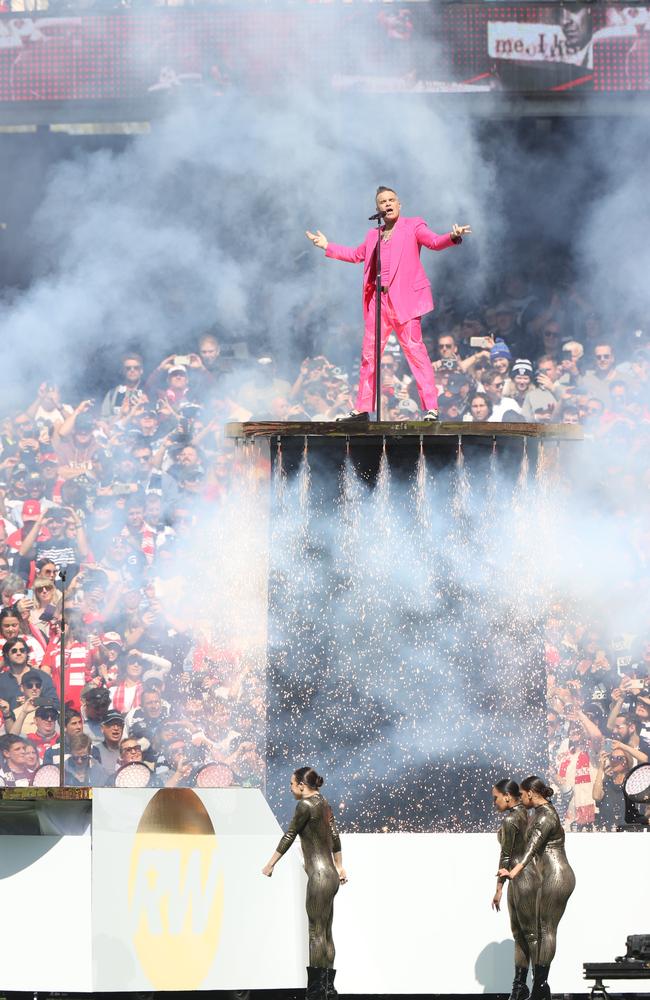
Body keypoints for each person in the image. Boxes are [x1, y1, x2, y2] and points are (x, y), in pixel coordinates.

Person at [306, 186, 470, 422]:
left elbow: (434, 241)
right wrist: (326, 246)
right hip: (379, 302)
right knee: (369, 355)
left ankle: (431, 408)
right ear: (377, 209)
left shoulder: (414, 226)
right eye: (383, 202)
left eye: (391, 200)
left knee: (415, 352)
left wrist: (452, 237)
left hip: (406, 302)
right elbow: (355, 255)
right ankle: (363, 408)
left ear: (399, 204)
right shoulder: (374, 235)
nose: (388, 204)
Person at [262, 767, 347, 1000]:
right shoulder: (324, 802)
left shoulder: (305, 805)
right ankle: (329, 990)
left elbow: (289, 835)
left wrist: (271, 864)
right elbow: (335, 836)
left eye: (292, 784)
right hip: (330, 874)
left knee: (316, 933)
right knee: (326, 932)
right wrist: (340, 866)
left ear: (301, 785)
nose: (290, 788)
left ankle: (316, 993)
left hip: (319, 876)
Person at [499, 775, 575, 1000]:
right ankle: (536, 987)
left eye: (522, 794)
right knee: (539, 930)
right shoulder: (541, 813)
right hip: (548, 874)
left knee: (546, 929)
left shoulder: (546, 816)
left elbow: (532, 848)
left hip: (557, 874)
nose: (521, 799)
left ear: (531, 793)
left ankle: (541, 986)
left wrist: (513, 871)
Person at [491, 779, 539, 1000]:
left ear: (508, 796)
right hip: (530, 875)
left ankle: (526, 986)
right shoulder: (527, 814)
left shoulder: (511, 818)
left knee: (524, 934)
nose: (495, 802)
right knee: (526, 934)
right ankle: (521, 986)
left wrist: (499, 888)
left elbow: (506, 856)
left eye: (496, 798)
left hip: (519, 878)